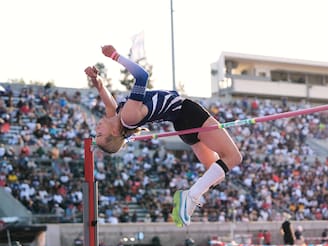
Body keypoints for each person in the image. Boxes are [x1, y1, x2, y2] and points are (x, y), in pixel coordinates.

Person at [85, 45, 242, 228]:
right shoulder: (128, 116)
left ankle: (192, 197)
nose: (97, 127)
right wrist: (115, 56)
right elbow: (142, 76)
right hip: (188, 113)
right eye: (99, 133)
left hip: (181, 125)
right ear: (113, 133)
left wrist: (97, 81)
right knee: (233, 157)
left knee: (216, 174)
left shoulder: (118, 117)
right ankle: (190, 196)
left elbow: (106, 98)